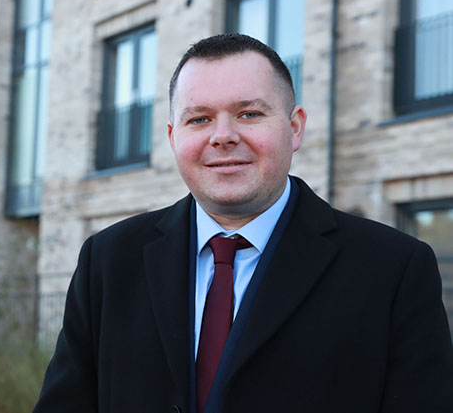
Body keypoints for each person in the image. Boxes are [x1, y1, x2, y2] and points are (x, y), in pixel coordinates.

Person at [32, 33, 453, 413]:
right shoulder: (107, 260)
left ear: (294, 127)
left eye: (249, 114)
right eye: (199, 119)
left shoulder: (394, 268)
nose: (223, 136)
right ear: (173, 137)